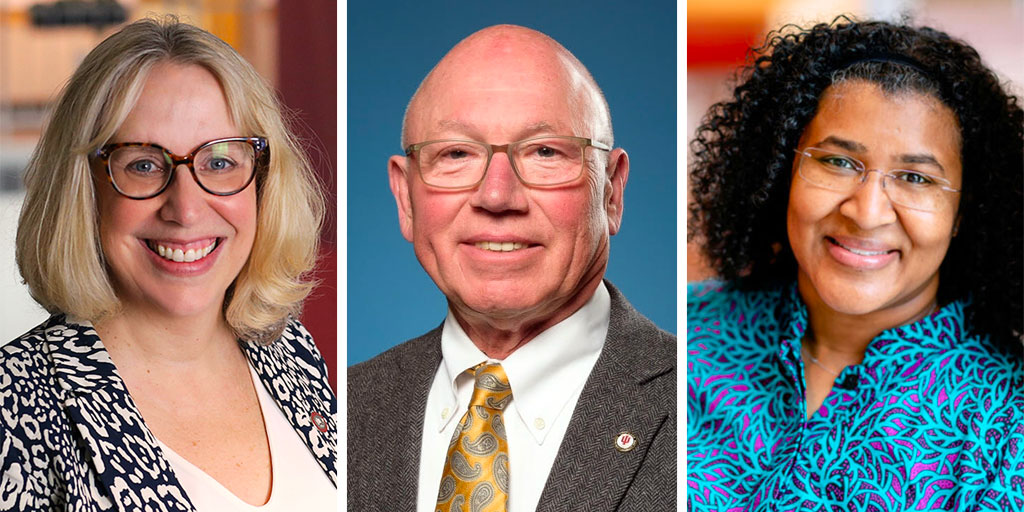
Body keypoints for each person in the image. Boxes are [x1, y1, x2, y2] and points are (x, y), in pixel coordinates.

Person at [686, 16, 1023, 511]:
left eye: (916, 177)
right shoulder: (684, 339)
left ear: (962, 211)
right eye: (838, 162)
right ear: (785, 170)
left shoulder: (1007, 423)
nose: (866, 212)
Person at [0, 17, 336, 510]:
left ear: (263, 182)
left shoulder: (287, 350)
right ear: (82, 188)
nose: (186, 209)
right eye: (142, 164)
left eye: (220, 162)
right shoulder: (14, 404)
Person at [348, 25, 676, 511]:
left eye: (545, 152)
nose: (496, 195)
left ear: (611, 191)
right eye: (456, 154)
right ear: (405, 198)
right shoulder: (343, 412)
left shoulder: (697, 406)